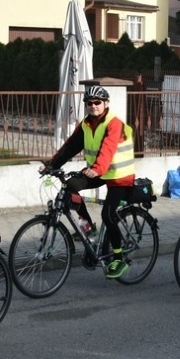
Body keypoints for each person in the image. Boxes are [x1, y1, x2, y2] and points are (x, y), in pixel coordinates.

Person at [41, 85, 136, 280]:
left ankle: (119, 258)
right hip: (100, 172)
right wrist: (52, 165)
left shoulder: (114, 123)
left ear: (106, 103)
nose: (93, 106)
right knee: (70, 187)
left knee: (108, 214)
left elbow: (108, 149)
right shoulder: (86, 124)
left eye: (97, 102)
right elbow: (70, 147)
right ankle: (88, 229)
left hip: (119, 175)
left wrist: (97, 168)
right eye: (89, 103)